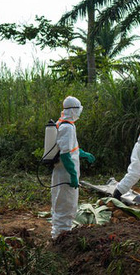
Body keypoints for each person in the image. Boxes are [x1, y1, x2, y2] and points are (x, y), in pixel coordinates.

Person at [51, 96, 95, 239]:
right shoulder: (67, 127)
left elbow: (70, 148)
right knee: (66, 206)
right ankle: (60, 237)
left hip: (60, 172)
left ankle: (59, 234)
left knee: (60, 204)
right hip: (65, 174)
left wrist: (83, 153)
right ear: (73, 110)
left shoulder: (63, 124)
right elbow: (65, 154)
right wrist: (73, 175)